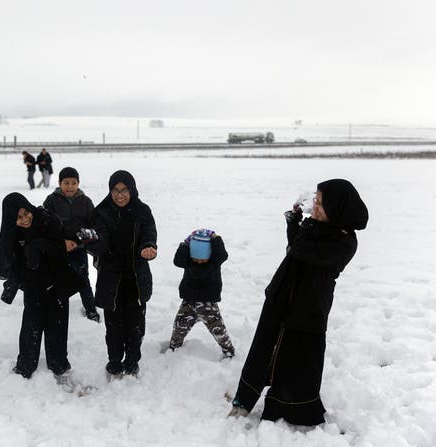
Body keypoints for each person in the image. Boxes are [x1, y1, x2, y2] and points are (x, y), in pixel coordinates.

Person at [229, 179, 368, 426]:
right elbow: (294, 247)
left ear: (337, 208)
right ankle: (244, 398)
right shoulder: (315, 227)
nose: (315, 206)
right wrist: (294, 222)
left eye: (321, 204)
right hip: (282, 295)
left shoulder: (345, 241)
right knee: (263, 349)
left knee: (297, 359)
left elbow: (303, 250)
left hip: (309, 307)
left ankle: (292, 408)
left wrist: (305, 226)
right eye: (315, 200)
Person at [0, 192, 83, 383]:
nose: (26, 218)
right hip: (33, 287)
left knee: (57, 328)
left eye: (26, 212)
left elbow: (67, 244)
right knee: (31, 327)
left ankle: (59, 366)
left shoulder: (46, 220)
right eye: (19, 217)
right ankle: (25, 367)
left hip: (57, 283)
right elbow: (10, 265)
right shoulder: (12, 235)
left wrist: (38, 246)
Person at [89, 170, 157, 378]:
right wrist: (92, 241)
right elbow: (99, 242)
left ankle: (132, 361)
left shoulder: (143, 210)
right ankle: (115, 361)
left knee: (136, 325)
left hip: (136, 278)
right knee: (114, 325)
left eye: (125, 190)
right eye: (115, 191)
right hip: (111, 278)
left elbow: (149, 232)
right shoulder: (101, 212)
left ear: (132, 190)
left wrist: (148, 246)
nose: (120, 195)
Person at [43, 167, 100, 323]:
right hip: (58, 250)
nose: (70, 187)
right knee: (55, 281)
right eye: (66, 183)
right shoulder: (51, 200)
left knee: (83, 280)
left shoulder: (86, 202)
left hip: (78, 250)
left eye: (73, 183)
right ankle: (54, 308)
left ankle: (90, 309)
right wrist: (61, 243)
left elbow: (93, 227)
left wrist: (76, 241)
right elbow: (45, 225)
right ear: (60, 183)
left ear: (78, 183)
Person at [167, 229, 235, 358]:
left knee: (218, 330)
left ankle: (229, 351)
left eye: (202, 260)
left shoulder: (215, 261)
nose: (198, 262)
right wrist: (185, 244)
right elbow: (178, 261)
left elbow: (222, 254)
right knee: (179, 326)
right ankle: (173, 348)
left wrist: (216, 238)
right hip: (188, 302)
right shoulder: (188, 260)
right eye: (195, 259)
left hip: (208, 305)